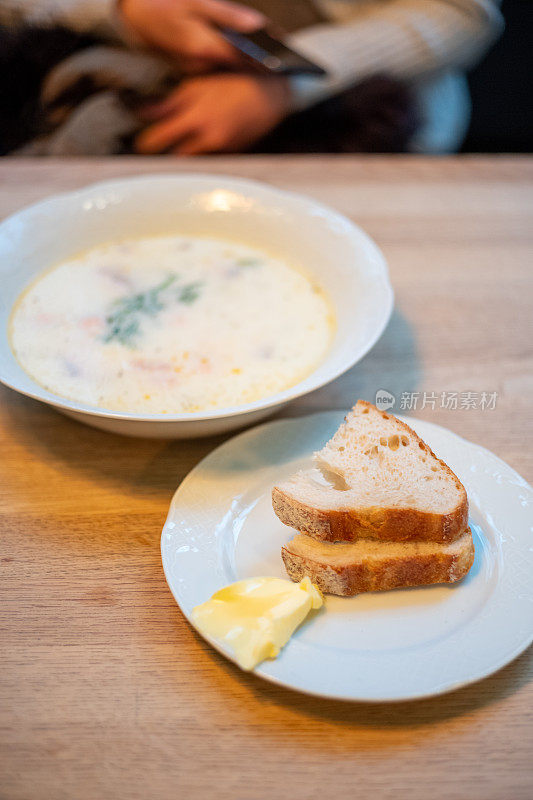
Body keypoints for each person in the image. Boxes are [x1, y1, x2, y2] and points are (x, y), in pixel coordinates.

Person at [0, 0, 504, 154]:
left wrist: (290, 79)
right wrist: (122, 11)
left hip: (376, 133)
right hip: (139, 99)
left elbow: (462, 14)